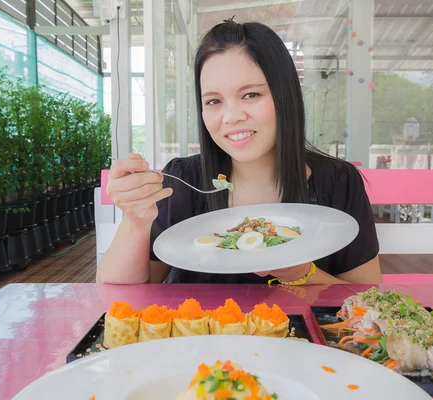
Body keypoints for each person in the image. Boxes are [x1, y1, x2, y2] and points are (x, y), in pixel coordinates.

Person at [98, 19, 382, 285]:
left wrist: (301, 273)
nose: (231, 117)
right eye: (213, 101)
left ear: (285, 96)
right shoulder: (182, 181)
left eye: (251, 95)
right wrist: (135, 221)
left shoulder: (337, 182)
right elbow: (119, 293)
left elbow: (367, 297)